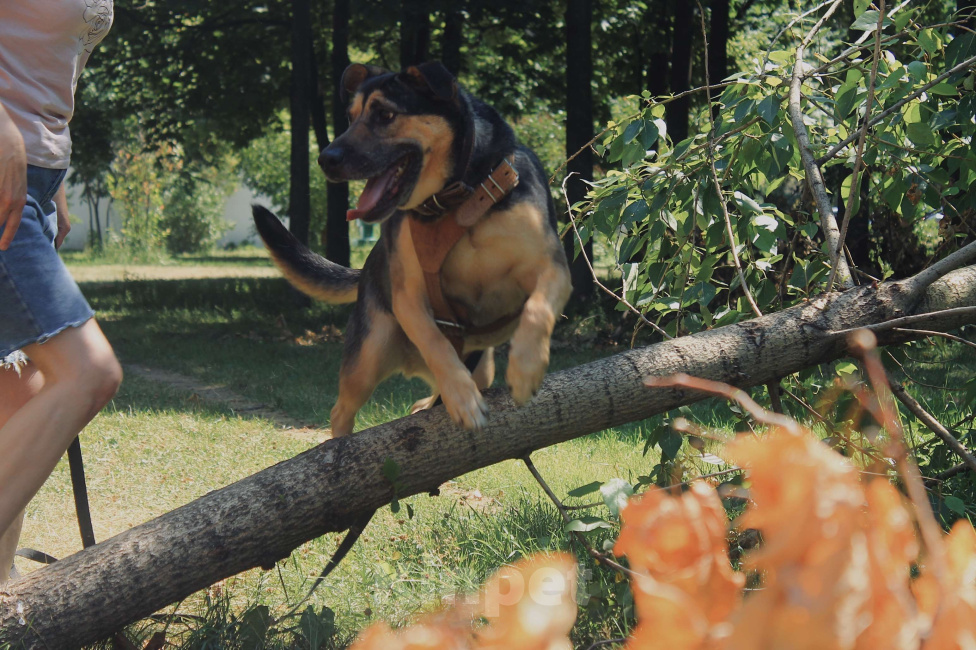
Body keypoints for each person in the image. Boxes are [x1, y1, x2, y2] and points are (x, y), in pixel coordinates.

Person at [0, 0, 121, 585]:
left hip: (35, 178)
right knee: (87, 371)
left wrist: (56, 183)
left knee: (19, 404)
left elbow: (48, 63)